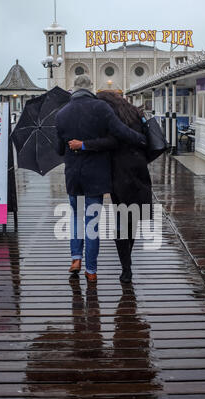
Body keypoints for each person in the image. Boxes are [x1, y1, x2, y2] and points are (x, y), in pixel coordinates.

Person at [56, 75, 146, 283]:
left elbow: (59, 148)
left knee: (76, 217)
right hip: (95, 176)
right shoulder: (100, 108)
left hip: (72, 176)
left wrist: (75, 144)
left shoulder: (61, 114)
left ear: (73, 88)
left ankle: (75, 258)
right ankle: (91, 270)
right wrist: (141, 139)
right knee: (91, 223)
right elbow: (121, 133)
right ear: (91, 88)